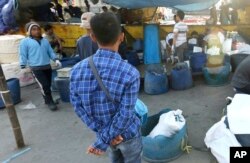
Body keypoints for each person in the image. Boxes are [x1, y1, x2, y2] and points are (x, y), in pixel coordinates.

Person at [70, 12, 142, 162]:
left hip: (104, 132)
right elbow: (125, 114)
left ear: (93, 37)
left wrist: (103, 134)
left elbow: (78, 107)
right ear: (121, 37)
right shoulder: (130, 73)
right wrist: (105, 138)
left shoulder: (76, 70)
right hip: (127, 134)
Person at [19, 22, 61, 111]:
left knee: (48, 85)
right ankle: (50, 102)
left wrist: (56, 59)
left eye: (38, 29)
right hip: (36, 68)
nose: (37, 31)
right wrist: (23, 66)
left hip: (47, 66)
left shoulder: (44, 40)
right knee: (44, 85)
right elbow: (23, 54)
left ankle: (47, 99)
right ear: (29, 31)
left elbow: (50, 51)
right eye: (34, 29)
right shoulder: (25, 42)